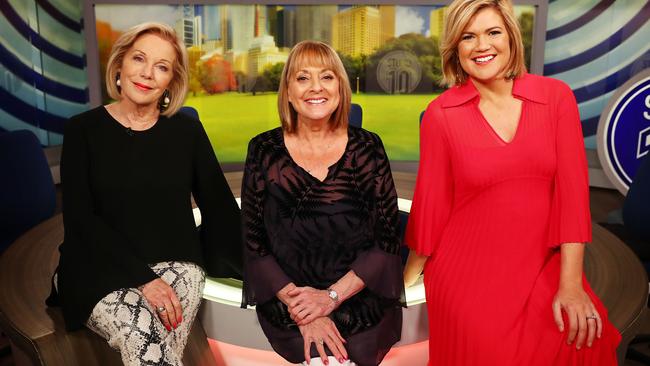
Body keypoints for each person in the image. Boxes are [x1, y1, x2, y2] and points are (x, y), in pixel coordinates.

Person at [402, 0, 621, 365]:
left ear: (511, 37)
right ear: (456, 48)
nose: (482, 46)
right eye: (468, 37)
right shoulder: (441, 114)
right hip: (466, 271)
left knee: (581, 335)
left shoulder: (555, 98)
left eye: (493, 32)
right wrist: (406, 278)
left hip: (542, 259)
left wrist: (571, 284)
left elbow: (572, 196)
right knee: (488, 350)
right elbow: (431, 207)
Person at [47, 22, 241, 365]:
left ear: (171, 81)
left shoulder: (187, 131)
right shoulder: (82, 130)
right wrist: (143, 279)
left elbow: (221, 209)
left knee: (160, 340)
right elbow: (80, 221)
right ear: (120, 64)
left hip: (176, 264)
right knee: (142, 334)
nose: (148, 73)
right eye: (139, 59)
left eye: (162, 67)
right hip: (99, 265)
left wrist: (276, 276)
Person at [241, 40, 404, 366]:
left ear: (341, 89)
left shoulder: (369, 147)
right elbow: (253, 241)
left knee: (348, 355)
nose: (316, 87)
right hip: (289, 301)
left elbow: (386, 239)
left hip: (357, 297)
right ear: (287, 91)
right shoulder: (263, 150)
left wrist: (330, 298)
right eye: (303, 78)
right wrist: (304, 308)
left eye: (327, 77)